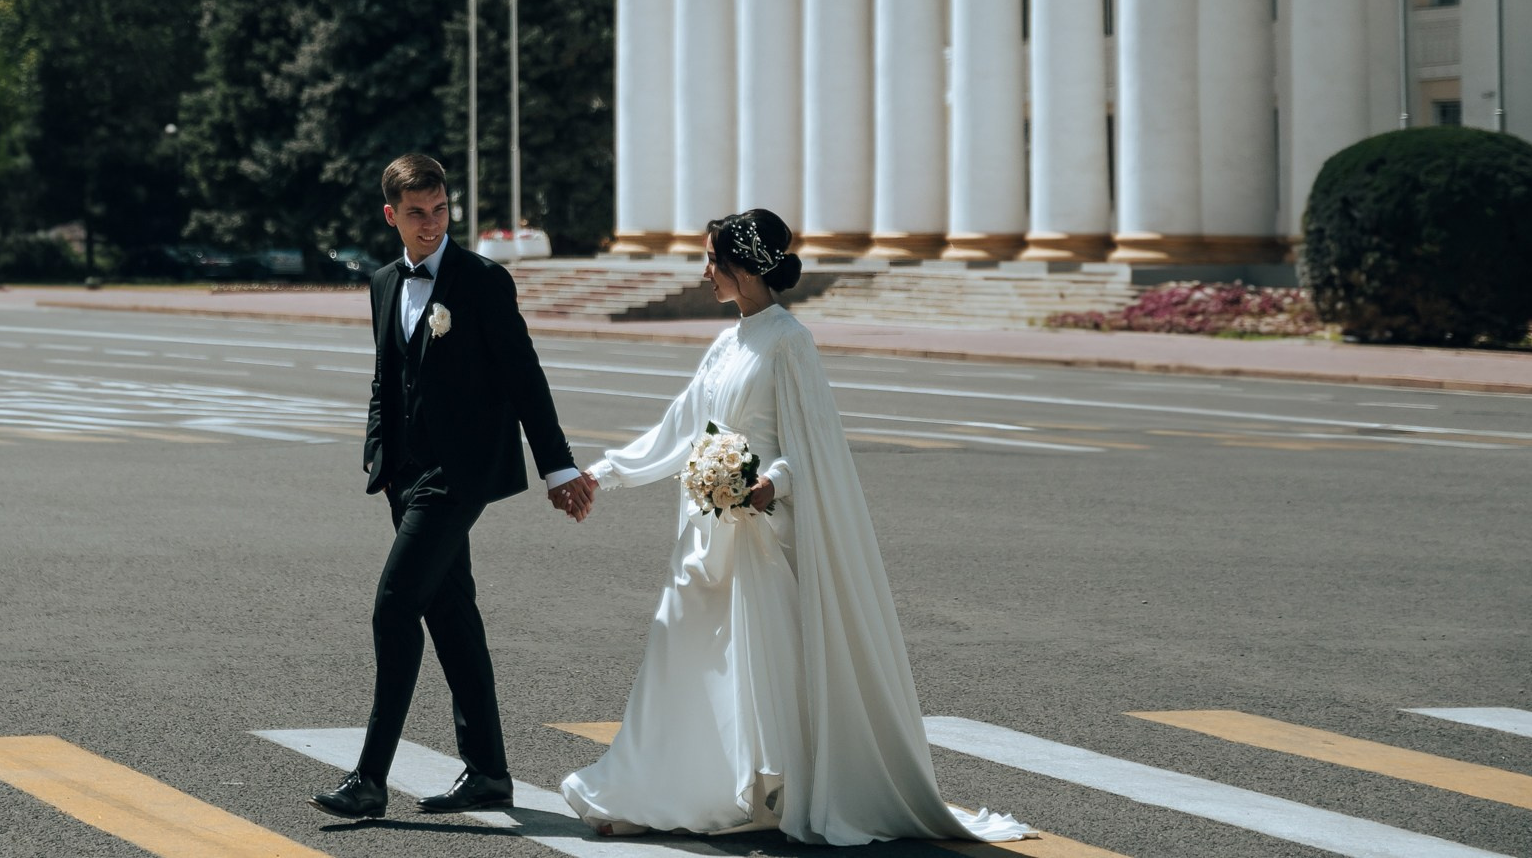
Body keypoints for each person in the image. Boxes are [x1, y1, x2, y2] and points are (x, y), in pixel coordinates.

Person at [558, 209, 1029, 845]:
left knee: (762, 663)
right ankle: (654, 790)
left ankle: (774, 789)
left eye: (711, 259)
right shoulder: (727, 341)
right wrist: (599, 474)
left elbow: (811, 445)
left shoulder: (788, 341)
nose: (705, 271)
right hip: (707, 529)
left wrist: (769, 484)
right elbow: (680, 430)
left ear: (742, 267)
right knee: (680, 649)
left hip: (759, 531)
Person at [311, 153, 595, 821]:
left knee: (393, 605)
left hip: (459, 475)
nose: (431, 224)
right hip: (405, 478)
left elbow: (525, 374)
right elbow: (387, 376)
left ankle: (371, 776)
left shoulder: (481, 281)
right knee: (451, 615)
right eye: (416, 213)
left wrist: (558, 465)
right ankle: (490, 772)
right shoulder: (384, 281)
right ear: (392, 215)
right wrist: (378, 456)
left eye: (440, 210)